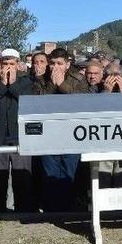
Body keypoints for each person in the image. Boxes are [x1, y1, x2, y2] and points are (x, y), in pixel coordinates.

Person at [34, 48, 89, 211]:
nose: (55, 67)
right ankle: (52, 209)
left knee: (69, 171)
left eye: (59, 63)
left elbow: (81, 103)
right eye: (52, 63)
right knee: (49, 172)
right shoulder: (41, 79)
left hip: (71, 132)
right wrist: (52, 83)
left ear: (67, 64)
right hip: (49, 132)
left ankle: (67, 209)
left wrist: (62, 84)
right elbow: (39, 102)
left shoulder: (78, 79)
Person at [0, 49, 36, 212]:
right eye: (5, 64)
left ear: (18, 65)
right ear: (0, 65)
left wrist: (12, 85)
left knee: (22, 177)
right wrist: (2, 86)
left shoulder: (27, 83)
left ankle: (23, 210)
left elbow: (28, 103)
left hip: (20, 137)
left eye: (12, 64)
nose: (8, 67)